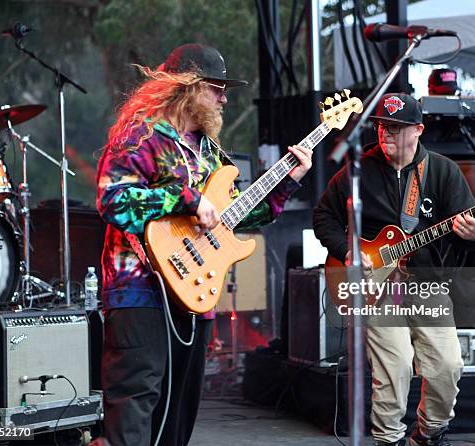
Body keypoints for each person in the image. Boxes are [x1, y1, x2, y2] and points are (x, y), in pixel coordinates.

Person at [95, 43, 313, 446]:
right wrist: (187, 199)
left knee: (181, 409)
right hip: (140, 291)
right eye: (217, 87)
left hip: (196, 291)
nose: (225, 97)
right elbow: (112, 201)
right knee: (135, 404)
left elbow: (234, 218)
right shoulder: (142, 135)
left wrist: (289, 180)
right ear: (189, 86)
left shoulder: (210, 152)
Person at [312, 93, 475, 446]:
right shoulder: (358, 171)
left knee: (447, 367)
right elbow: (323, 217)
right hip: (378, 291)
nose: (385, 134)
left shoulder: (443, 171)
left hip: (426, 286)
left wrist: (472, 233)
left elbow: (468, 238)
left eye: (395, 128)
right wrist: (347, 254)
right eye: (381, 127)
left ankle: (430, 432)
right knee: (395, 367)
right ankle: (389, 440)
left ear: (418, 130)